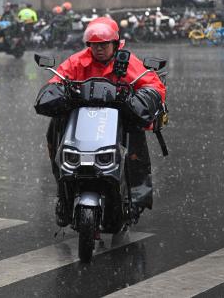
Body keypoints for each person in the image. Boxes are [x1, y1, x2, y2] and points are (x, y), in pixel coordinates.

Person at [41, 17, 165, 226]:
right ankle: (63, 196)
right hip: (81, 119)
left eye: (104, 44)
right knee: (55, 129)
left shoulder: (128, 63)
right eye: (94, 45)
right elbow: (56, 80)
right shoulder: (77, 61)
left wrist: (137, 99)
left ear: (115, 44)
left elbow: (153, 85)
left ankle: (136, 199)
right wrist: (57, 93)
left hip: (118, 120)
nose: (98, 49)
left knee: (136, 140)